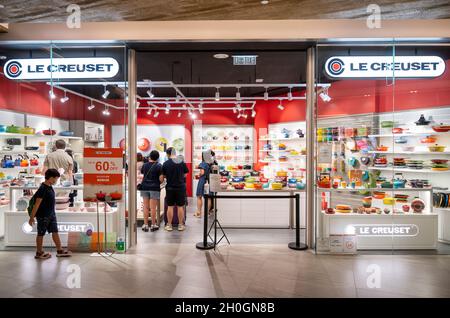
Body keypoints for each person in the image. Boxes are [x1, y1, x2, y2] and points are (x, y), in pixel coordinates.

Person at [28, 169, 71, 259]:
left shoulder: (49, 186)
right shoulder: (43, 188)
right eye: (56, 179)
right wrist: (31, 217)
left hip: (51, 215)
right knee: (41, 233)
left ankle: (60, 250)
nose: (56, 181)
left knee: (55, 231)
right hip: (43, 216)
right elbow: (37, 203)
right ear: (51, 178)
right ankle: (39, 252)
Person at [161, 147, 189, 231]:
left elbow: (164, 176)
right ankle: (180, 225)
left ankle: (169, 225)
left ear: (168, 154)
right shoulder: (181, 162)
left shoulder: (165, 163)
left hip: (170, 187)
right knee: (180, 206)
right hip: (180, 187)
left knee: (170, 206)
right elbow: (185, 174)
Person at [140, 150, 163, 232]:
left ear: (150, 156)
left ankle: (145, 225)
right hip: (154, 188)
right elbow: (161, 179)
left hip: (145, 187)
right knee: (153, 208)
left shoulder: (145, 165)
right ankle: (153, 225)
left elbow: (142, 174)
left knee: (145, 207)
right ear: (157, 157)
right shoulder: (159, 166)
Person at [194, 151, 211, 218]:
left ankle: (199, 213)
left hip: (202, 181)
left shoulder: (203, 163)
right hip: (208, 181)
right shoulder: (209, 164)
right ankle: (207, 213)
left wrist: (199, 174)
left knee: (199, 196)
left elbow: (202, 172)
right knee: (209, 197)